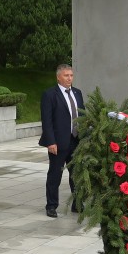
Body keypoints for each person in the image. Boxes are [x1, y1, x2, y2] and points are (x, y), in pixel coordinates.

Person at [38, 64, 85, 217]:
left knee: (76, 174)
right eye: (66, 75)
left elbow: (82, 116)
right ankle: (51, 206)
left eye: (71, 75)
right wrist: (51, 142)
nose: (69, 78)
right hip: (58, 143)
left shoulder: (77, 93)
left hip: (75, 140)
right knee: (55, 175)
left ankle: (77, 204)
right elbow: (47, 121)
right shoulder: (50, 94)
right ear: (58, 77)